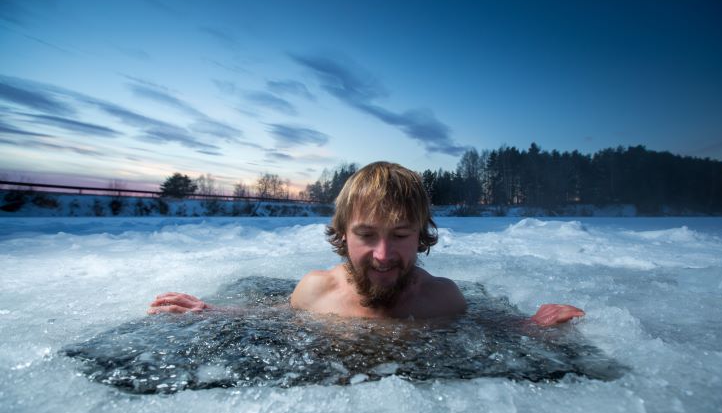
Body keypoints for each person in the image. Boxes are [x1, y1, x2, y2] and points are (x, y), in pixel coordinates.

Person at [149, 162, 584, 326]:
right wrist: (214, 312)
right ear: (342, 235)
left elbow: (489, 327)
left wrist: (530, 325)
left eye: (399, 236)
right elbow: (276, 316)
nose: (383, 255)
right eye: (366, 235)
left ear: (421, 237)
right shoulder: (316, 289)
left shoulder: (444, 299)